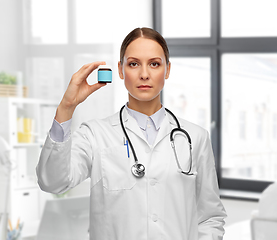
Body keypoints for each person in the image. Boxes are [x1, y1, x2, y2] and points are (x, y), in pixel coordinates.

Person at [36, 27, 226, 240]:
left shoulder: (195, 137)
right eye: (133, 64)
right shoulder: (95, 134)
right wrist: (66, 107)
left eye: (154, 64)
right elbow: (52, 182)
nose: (144, 74)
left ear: (167, 70)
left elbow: (210, 216)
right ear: (120, 70)